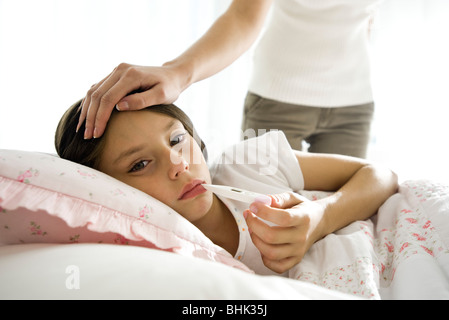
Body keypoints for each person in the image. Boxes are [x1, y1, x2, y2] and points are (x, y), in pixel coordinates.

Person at [58, 100, 398, 275]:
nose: (179, 164)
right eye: (140, 164)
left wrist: (320, 218)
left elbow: (380, 175)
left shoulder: (247, 163)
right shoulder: (155, 263)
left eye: (177, 139)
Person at [77, 0, 381, 158]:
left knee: (344, 227)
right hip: (276, 100)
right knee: (267, 214)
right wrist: (178, 73)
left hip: (355, 102)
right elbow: (243, 17)